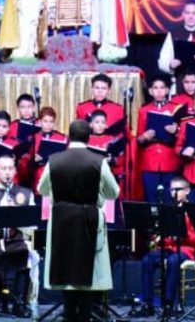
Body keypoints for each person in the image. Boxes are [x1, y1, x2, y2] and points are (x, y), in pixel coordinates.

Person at [38, 119, 120, 322]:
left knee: (65, 265)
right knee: (88, 267)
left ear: (69, 136)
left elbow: (42, 189)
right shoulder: (98, 161)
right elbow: (114, 192)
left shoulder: (54, 160)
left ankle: (68, 315)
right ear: (89, 137)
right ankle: (84, 315)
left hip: (61, 219)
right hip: (89, 217)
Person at [0, 155, 38, 316]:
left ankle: (20, 302)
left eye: (10, 168)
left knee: (25, 254)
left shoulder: (26, 193)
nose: (7, 172)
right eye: (3, 169)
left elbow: (33, 226)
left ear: (15, 171)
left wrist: (17, 217)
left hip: (17, 240)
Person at [133, 175, 195, 317]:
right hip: (168, 249)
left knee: (173, 261)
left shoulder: (193, 211)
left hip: (186, 250)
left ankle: (168, 304)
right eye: (172, 190)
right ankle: (147, 304)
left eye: (178, 189)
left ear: (187, 191)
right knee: (147, 259)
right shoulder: (167, 210)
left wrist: (182, 235)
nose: (174, 193)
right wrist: (157, 236)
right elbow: (161, 235)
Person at [136, 75, 182, 202]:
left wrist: (175, 131)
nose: (159, 91)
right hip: (150, 161)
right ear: (150, 91)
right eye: (155, 88)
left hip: (170, 160)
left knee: (170, 200)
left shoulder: (176, 108)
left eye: (162, 88)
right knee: (151, 199)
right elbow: (139, 139)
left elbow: (183, 137)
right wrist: (145, 136)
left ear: (167, 90)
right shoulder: (144, 110)